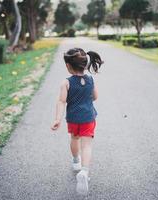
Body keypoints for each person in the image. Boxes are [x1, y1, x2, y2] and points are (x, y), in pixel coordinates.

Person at [51, 47, 103, 195]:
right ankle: (84, 172)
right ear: (85, 64)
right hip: (88, 118)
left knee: (74, 138)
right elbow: (95, 97)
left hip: (73, 118)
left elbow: (61, 102)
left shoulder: (66, 83)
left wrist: (57, 119)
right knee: (87, 145)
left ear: (68, 66)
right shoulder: (90, 79)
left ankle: (75, 162)